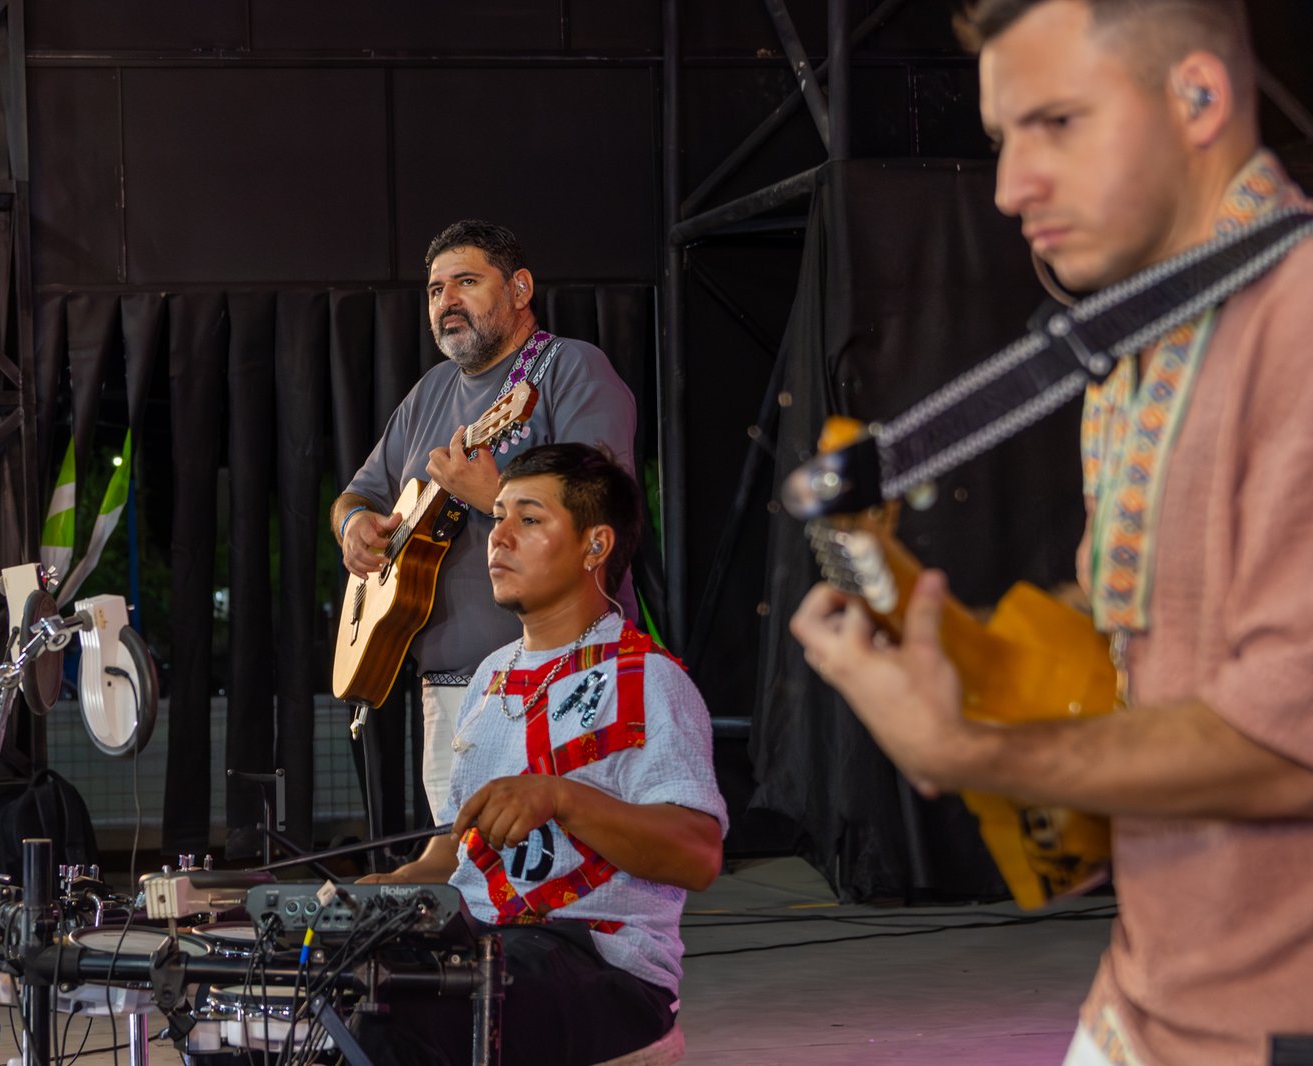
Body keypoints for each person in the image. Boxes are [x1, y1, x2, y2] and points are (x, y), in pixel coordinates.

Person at [791, 2, 1313, 1064]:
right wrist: (962, 658)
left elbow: (1285, 747)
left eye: (1057, 124)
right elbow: (1145, 634)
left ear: (1198, 97)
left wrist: (969, 748)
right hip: (1141, 1006)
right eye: (1003, 137)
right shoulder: (1141, 340)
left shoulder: (1296, 330)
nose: (1009, 186)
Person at [354, 442, 726, 1066]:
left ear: (595, 545)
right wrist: (383, 893)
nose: (498, 537)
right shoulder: (490, 678)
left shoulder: (647, 679)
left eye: (528, 519)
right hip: (487, 944)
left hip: (604, 966)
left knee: (400, 1012)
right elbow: (455, 851)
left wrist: (561, 797)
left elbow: (699, 855)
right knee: (331, 987)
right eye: (498, 516)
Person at [334, 220, 638, 823]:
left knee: (565, 864)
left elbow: (604, 516)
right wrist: (354, 527)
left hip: (561, 677)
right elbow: (355, 495)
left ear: (520, 288)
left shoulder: (569, 369)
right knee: (464, 869)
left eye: (466, 282)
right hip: (448, 693)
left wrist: (493, 495)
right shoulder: (429, 392)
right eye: (435, 289)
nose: (446, 300)